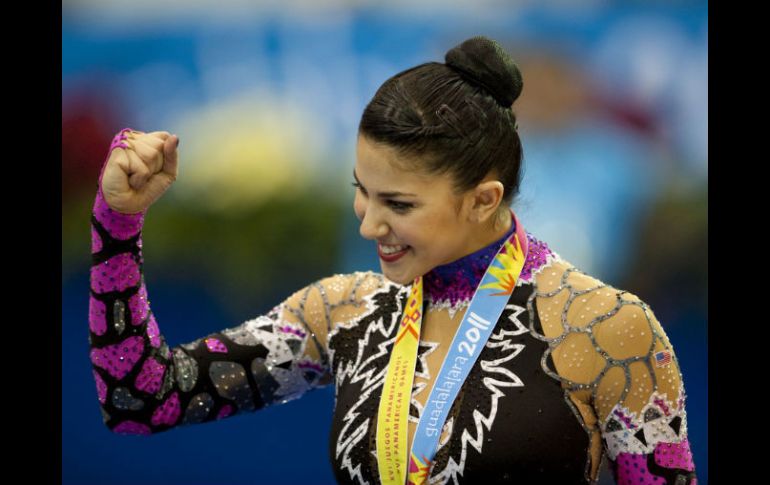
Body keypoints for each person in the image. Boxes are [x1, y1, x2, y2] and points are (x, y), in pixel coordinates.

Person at [88, 36, 698, 484]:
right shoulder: (344, 311)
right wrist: (118, 224)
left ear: (483, 199)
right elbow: (142, 397)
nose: (368, 222)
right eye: (361, 189)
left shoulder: (606, 329)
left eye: (398, 203)